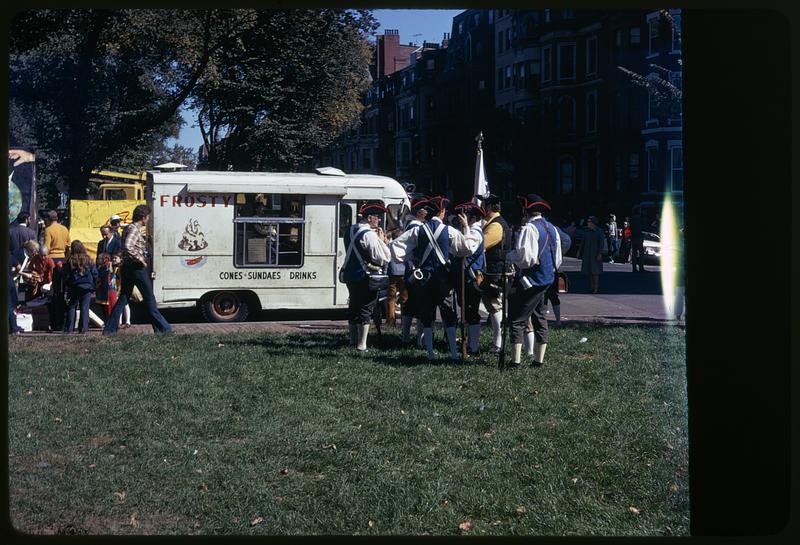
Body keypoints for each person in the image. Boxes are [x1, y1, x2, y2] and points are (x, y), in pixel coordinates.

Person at [389, 196, 479, 360]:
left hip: (424, 279)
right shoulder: (449, 230)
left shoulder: (417, 230)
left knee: (427, 315)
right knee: (449, 315)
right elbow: (466, 248)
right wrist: (467, 228)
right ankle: (453, 353)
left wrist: (413, 255)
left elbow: (396, 248)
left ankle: (430, 353)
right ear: (442, 211)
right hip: (443, 279)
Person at [506, 193, 562, 367]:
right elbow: (558, 258)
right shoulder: (552, 227)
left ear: (525, 210)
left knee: (516, 319)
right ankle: (538, 361)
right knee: (539, 318)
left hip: (531, 281)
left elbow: (525, 258)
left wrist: (509, 256)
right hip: (546, 279)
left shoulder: (529, 229)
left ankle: (515, 363)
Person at [103, 205, 172, 335]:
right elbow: (128, 246)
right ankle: (164, 329)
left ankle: (109, 329)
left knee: (123, 298)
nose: (149, 219)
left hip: (127, 268)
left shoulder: (127, 228)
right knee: (150, 298)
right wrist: (140, 259)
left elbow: (124, 248)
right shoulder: (134, 229)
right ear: (143, 217)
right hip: (136, 268)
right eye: (148, 217)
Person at [339, 201, 392, 351]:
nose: (379, 219)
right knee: (366, 308)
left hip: (351, 275)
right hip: (365, 275)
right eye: (377, 217)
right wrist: (382, 242)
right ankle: (362, 345)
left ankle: (352, 341)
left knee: (354, 306)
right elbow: (382, 257)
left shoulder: (350, 230)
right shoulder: (369, 234)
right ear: (369, 218)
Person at [478, 193, 512, 353]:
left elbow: (479, 245)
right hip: (495, 271)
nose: (481, 207)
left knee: (494, 306)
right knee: (494, 306)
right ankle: (498, 341)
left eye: (484, 204)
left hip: (495, 272)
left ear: (490, 207)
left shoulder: (496, 225)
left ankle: (498, 343)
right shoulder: (494, 223)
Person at [452, 202, 486, 356]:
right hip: (465, 277)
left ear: (471, 217)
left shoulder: (475, 232)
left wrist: (465, 227)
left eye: (464, 216)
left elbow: (467, 248)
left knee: (471, 313)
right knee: (466, 311)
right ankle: (469, 344)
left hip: (471, 279)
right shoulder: (471, 230)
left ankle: (473, 346)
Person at [539, 222, 571, 336]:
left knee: (550, 294)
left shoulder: (551, 228)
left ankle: (557, 320)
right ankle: (547, 321)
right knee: (545, 295)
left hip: (550, 266)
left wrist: (558, 257)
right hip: (549, 266)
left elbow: (567, 240)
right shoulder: (550, 227)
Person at [62, 240, 98, 334]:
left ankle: (69, 329)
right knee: (84, 307)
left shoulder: (70, 260)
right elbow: (94, 273)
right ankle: (83, 329)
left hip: (74, 286)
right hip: (87, 286)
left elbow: (65, 274)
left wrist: (67, 284)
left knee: (72, 306)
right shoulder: (88, 259)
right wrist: (94, 285)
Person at [43, 210, 70, 330]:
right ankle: (63, 320)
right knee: (62, 290)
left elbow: (46, 248)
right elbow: (69, 246)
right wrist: (66, 259)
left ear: (48, 219)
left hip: (52, 260)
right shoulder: (64, 229)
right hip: (63, 260)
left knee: (53, 291)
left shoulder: (48, 230)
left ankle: (55, 321)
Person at [385, 226, 406, 328]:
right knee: (404, 298)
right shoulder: (404, 245)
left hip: (392, 272)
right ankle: (405, 321)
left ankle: (390, 322)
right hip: (403, 273)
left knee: (391, 298)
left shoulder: (389, 245)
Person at [580, 216, 606, 294]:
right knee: (589, 271)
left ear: (593, 223)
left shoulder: (599, 231)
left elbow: (601, 243)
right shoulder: (587, 231)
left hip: (595, 253)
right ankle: (591, 287)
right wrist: (579, 251)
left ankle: (596, 288)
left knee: (595, 272)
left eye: (589, 222)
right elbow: (582, 242)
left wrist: (600, 253)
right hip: (587, 253)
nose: (588, 223)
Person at [629, 205, 646, 272]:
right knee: (641, 252)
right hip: (638, 237)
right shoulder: (638, 218)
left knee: (634, 252)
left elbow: (632, 228)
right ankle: (641, 267)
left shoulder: (632, 218)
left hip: (633, 237)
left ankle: (634, 268)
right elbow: (639, 228)